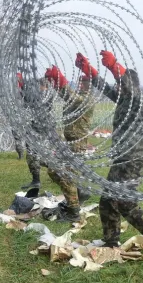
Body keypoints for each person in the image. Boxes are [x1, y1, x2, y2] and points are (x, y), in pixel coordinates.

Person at [75, 50, 143, 262]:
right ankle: (111, 242)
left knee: (125, 202)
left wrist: (115, 67)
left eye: (122, 85)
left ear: (130, 85)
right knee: (107, 200)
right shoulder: (124, 100)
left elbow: (129, 90)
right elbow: (106, 88)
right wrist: (90, 71)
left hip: (133, 160)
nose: (118, 89)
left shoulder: (138, 101)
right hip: (121, 158)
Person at [41, 65, 95, 220]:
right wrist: (56, 84)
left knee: (65, 175)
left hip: (77, 144)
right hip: (70, 142)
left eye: (83, 81)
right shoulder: (79, 96)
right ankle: (80, 194)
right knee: (54, 170)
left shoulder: (87, 99)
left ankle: (73, 211)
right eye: (79, 81)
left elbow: (73, 98)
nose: (80, 84)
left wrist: (60, 80)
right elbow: (68, 97)